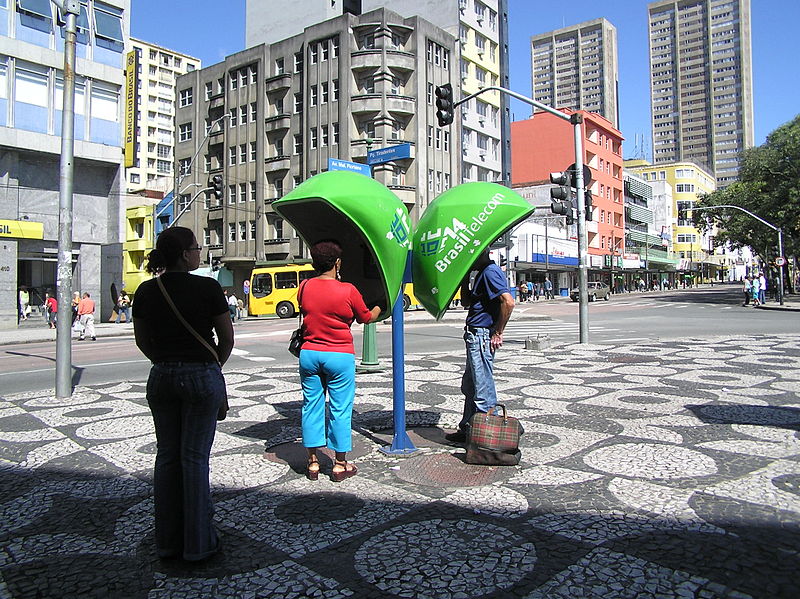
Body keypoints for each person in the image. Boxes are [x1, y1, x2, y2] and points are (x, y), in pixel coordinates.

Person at [133, 226, 234, 562]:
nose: (198, 252)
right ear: (183, 254)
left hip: (160, 376)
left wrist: (165, 361)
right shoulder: (207, 287)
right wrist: (209, 365)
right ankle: (199, 545)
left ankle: (167, 542)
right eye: (195, 247)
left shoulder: (146, 291)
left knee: (167, 458)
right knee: (193, 460)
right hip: (199, 377)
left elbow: (143, 340)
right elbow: (226, 338)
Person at [298, 240, 381, 482]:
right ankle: (339, 464)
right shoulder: (348, 290)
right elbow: (365, 317)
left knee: (311, 406)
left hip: (310, 353)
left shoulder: (304, 286)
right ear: (337, 263)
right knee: (340, 409)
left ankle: (312, 462)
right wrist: (379, 307)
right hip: (339, 355)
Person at [445, 250, 515, 444]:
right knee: (471, 385)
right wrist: (465, 277)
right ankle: (468, 427)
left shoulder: (491, 272)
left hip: (482, 335)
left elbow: (508, 302)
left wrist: (498, 332)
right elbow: (467, 302)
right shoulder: (482, 273)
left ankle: (485, 437)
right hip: (475, 334)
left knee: (482, 387)